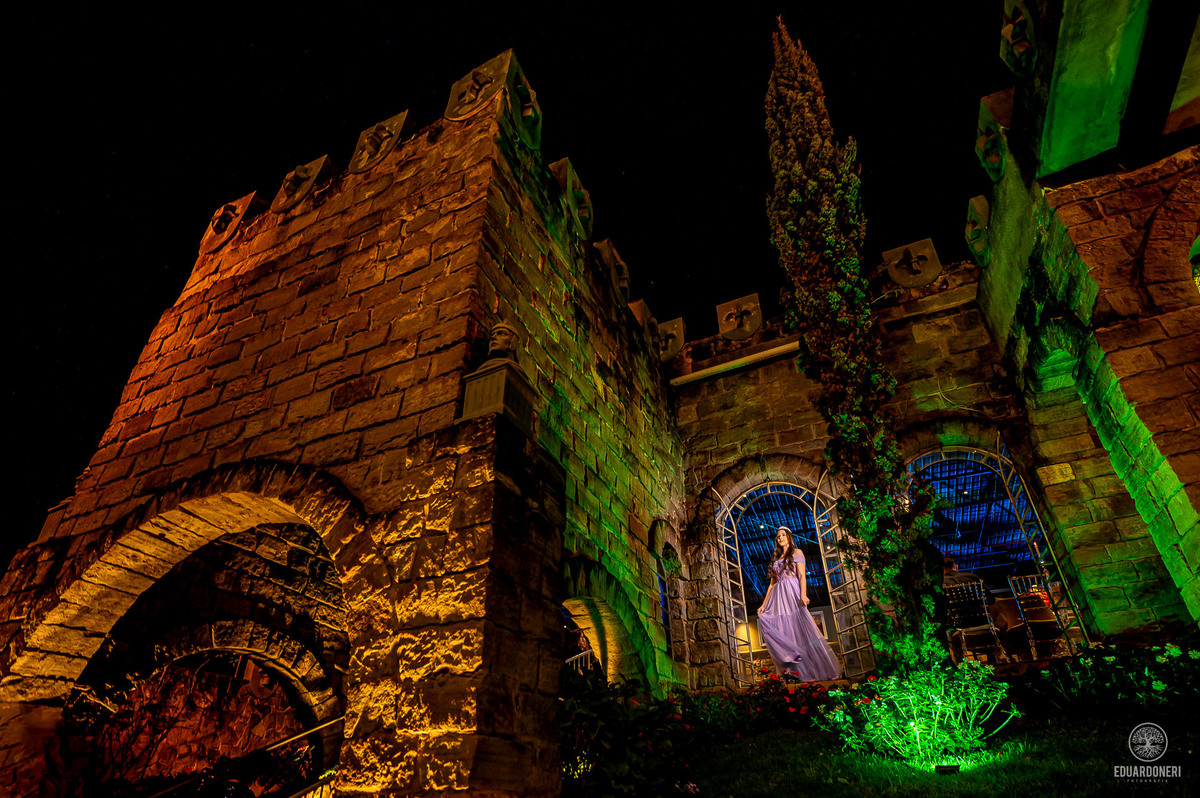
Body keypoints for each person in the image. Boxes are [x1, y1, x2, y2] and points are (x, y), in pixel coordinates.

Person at [757, 526, 841, 681]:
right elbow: (771, 584)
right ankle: (792, 671)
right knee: (783, 628)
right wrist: (763, 604)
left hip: (792, 591)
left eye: (783, 535)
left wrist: (803, 594)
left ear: (789, 537)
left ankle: (819, 669)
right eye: (778, 536)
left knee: (799, 625)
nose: (780, 537)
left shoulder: (797, 552)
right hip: (778, 596)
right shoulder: (776, 558)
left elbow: (802, 575)